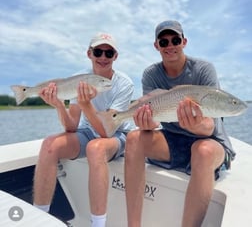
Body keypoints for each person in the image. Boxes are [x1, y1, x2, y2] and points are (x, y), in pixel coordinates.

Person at [124, 20, 235, 227]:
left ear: (184, 41)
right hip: (173, 142)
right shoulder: (151, 74)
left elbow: (210, 127)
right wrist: (145, 123)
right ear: (157, 46)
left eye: (175, 39)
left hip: (210, 142)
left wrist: (194, 125)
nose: (170, 45)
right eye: (164, 42)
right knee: (133, 138)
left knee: (202, 151)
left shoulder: (204, 69)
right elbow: (151, 124)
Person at [33, 32, 134, 227]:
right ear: (89, 54)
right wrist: (59, 105)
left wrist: (86, 105)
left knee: (95, 148)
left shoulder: (124, 84)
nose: (103, 57)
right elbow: (71, 126)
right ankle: (39, 217)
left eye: (109, 53)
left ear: (115, 56)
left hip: (118, 134)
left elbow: (107, 132)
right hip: (88, 132)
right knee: (49, 145)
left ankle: (97, 224)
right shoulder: (77, 80)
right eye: (98, 52)